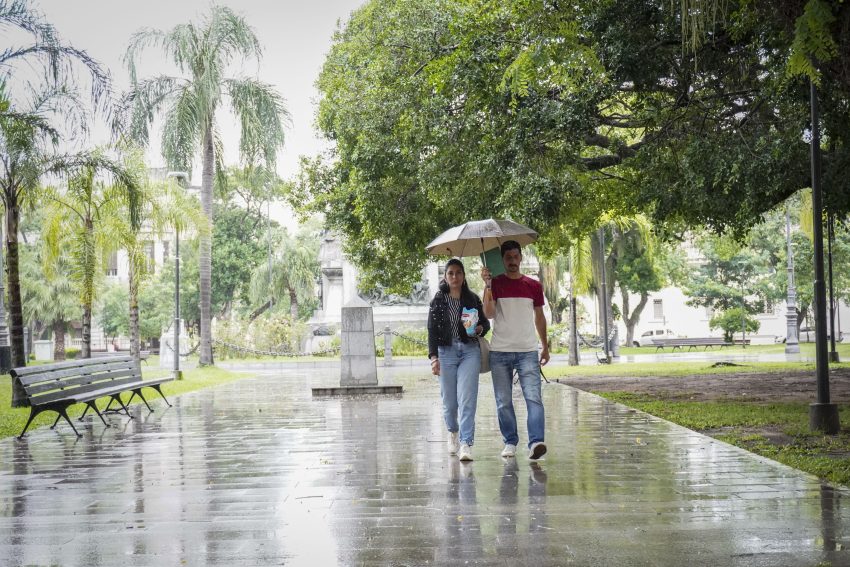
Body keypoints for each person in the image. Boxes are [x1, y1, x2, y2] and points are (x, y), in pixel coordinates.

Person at [481, 240, 550, 460]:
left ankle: (536, 441)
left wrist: (545, 346)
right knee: (503, 401)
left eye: (515, 256)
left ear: (520, 257)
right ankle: (510, 442)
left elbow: (540, 317)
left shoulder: (533, 285)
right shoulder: (496, 284)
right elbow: (489, 313)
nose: (512, 261)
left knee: (534, 398)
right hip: (500, 351)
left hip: (528, 351)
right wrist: (488, 286)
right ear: (503, 260)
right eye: (508, 257)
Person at [428, 258, 490, 462]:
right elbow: (432, 331)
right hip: (446, 352)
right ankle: (452, 432)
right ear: (445, 277)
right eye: (451, 273)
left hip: (469, 351)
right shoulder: (439, 300)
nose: (455, 277)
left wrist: (479, 328)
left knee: (467, 399)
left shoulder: (472, 298)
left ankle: (466, 443)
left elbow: (484, 324)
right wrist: (433, 357)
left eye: (458, 273)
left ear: (463, 277)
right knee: (450, 402)